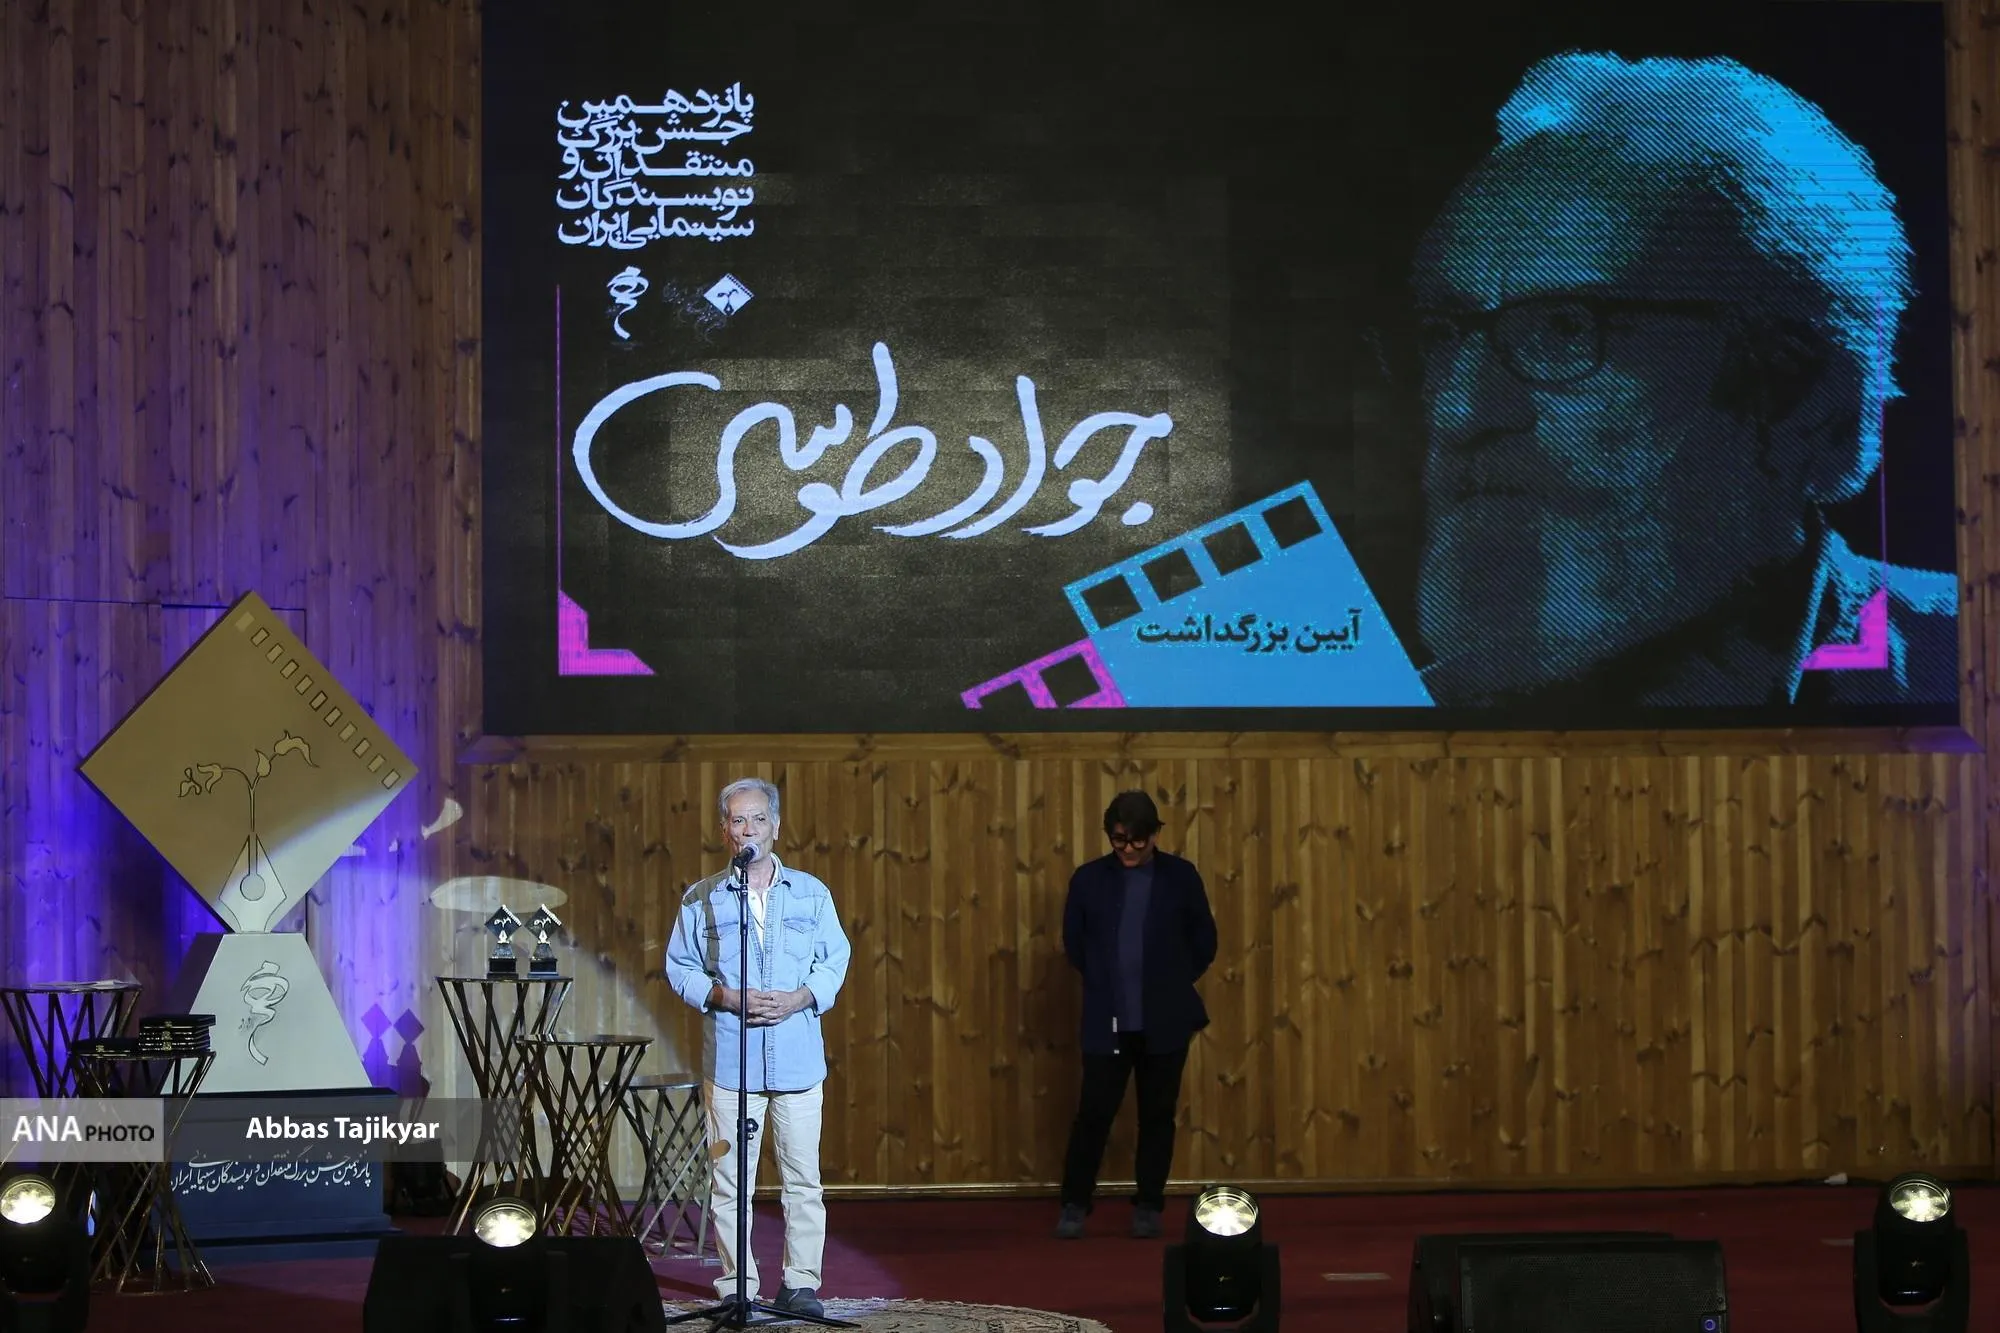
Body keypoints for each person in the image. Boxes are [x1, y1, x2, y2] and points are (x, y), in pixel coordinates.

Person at [1408, 53, 1955, 710]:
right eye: (1443, 334)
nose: (1458, 408)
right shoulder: (1383, 725)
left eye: (1564, 328)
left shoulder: (1965, 663)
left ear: (1800, 395)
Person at [665, 777, 852, 1318]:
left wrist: (799, 998)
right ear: (725, 830)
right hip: (732, 1064)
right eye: (737, 820)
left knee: (803, 1181)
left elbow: (834, 960)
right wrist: (723, 995)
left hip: (798, 1062)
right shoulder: (702, 897)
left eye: (758, 819)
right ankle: (737, 1286)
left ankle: (800, 1284)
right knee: (729, 1182)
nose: (748, 829)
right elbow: (680, 967)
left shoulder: (812, 893)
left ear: (776, 826)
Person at [1054, 790, 1218, 1240]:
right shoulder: (1089, 879)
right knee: (1093, 1114)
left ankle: (1148, 1204)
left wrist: (1170, 982)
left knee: (1158, 1116)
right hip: (1107, 1019)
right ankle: (1074, 1204)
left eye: (1137, 840)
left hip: (1165, 1019)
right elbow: (1075, 943)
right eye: (1119, 839)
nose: (1127, 848)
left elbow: (1204, 941)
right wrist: (1106, 981)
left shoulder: (1181, 877)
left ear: (1155, 835)